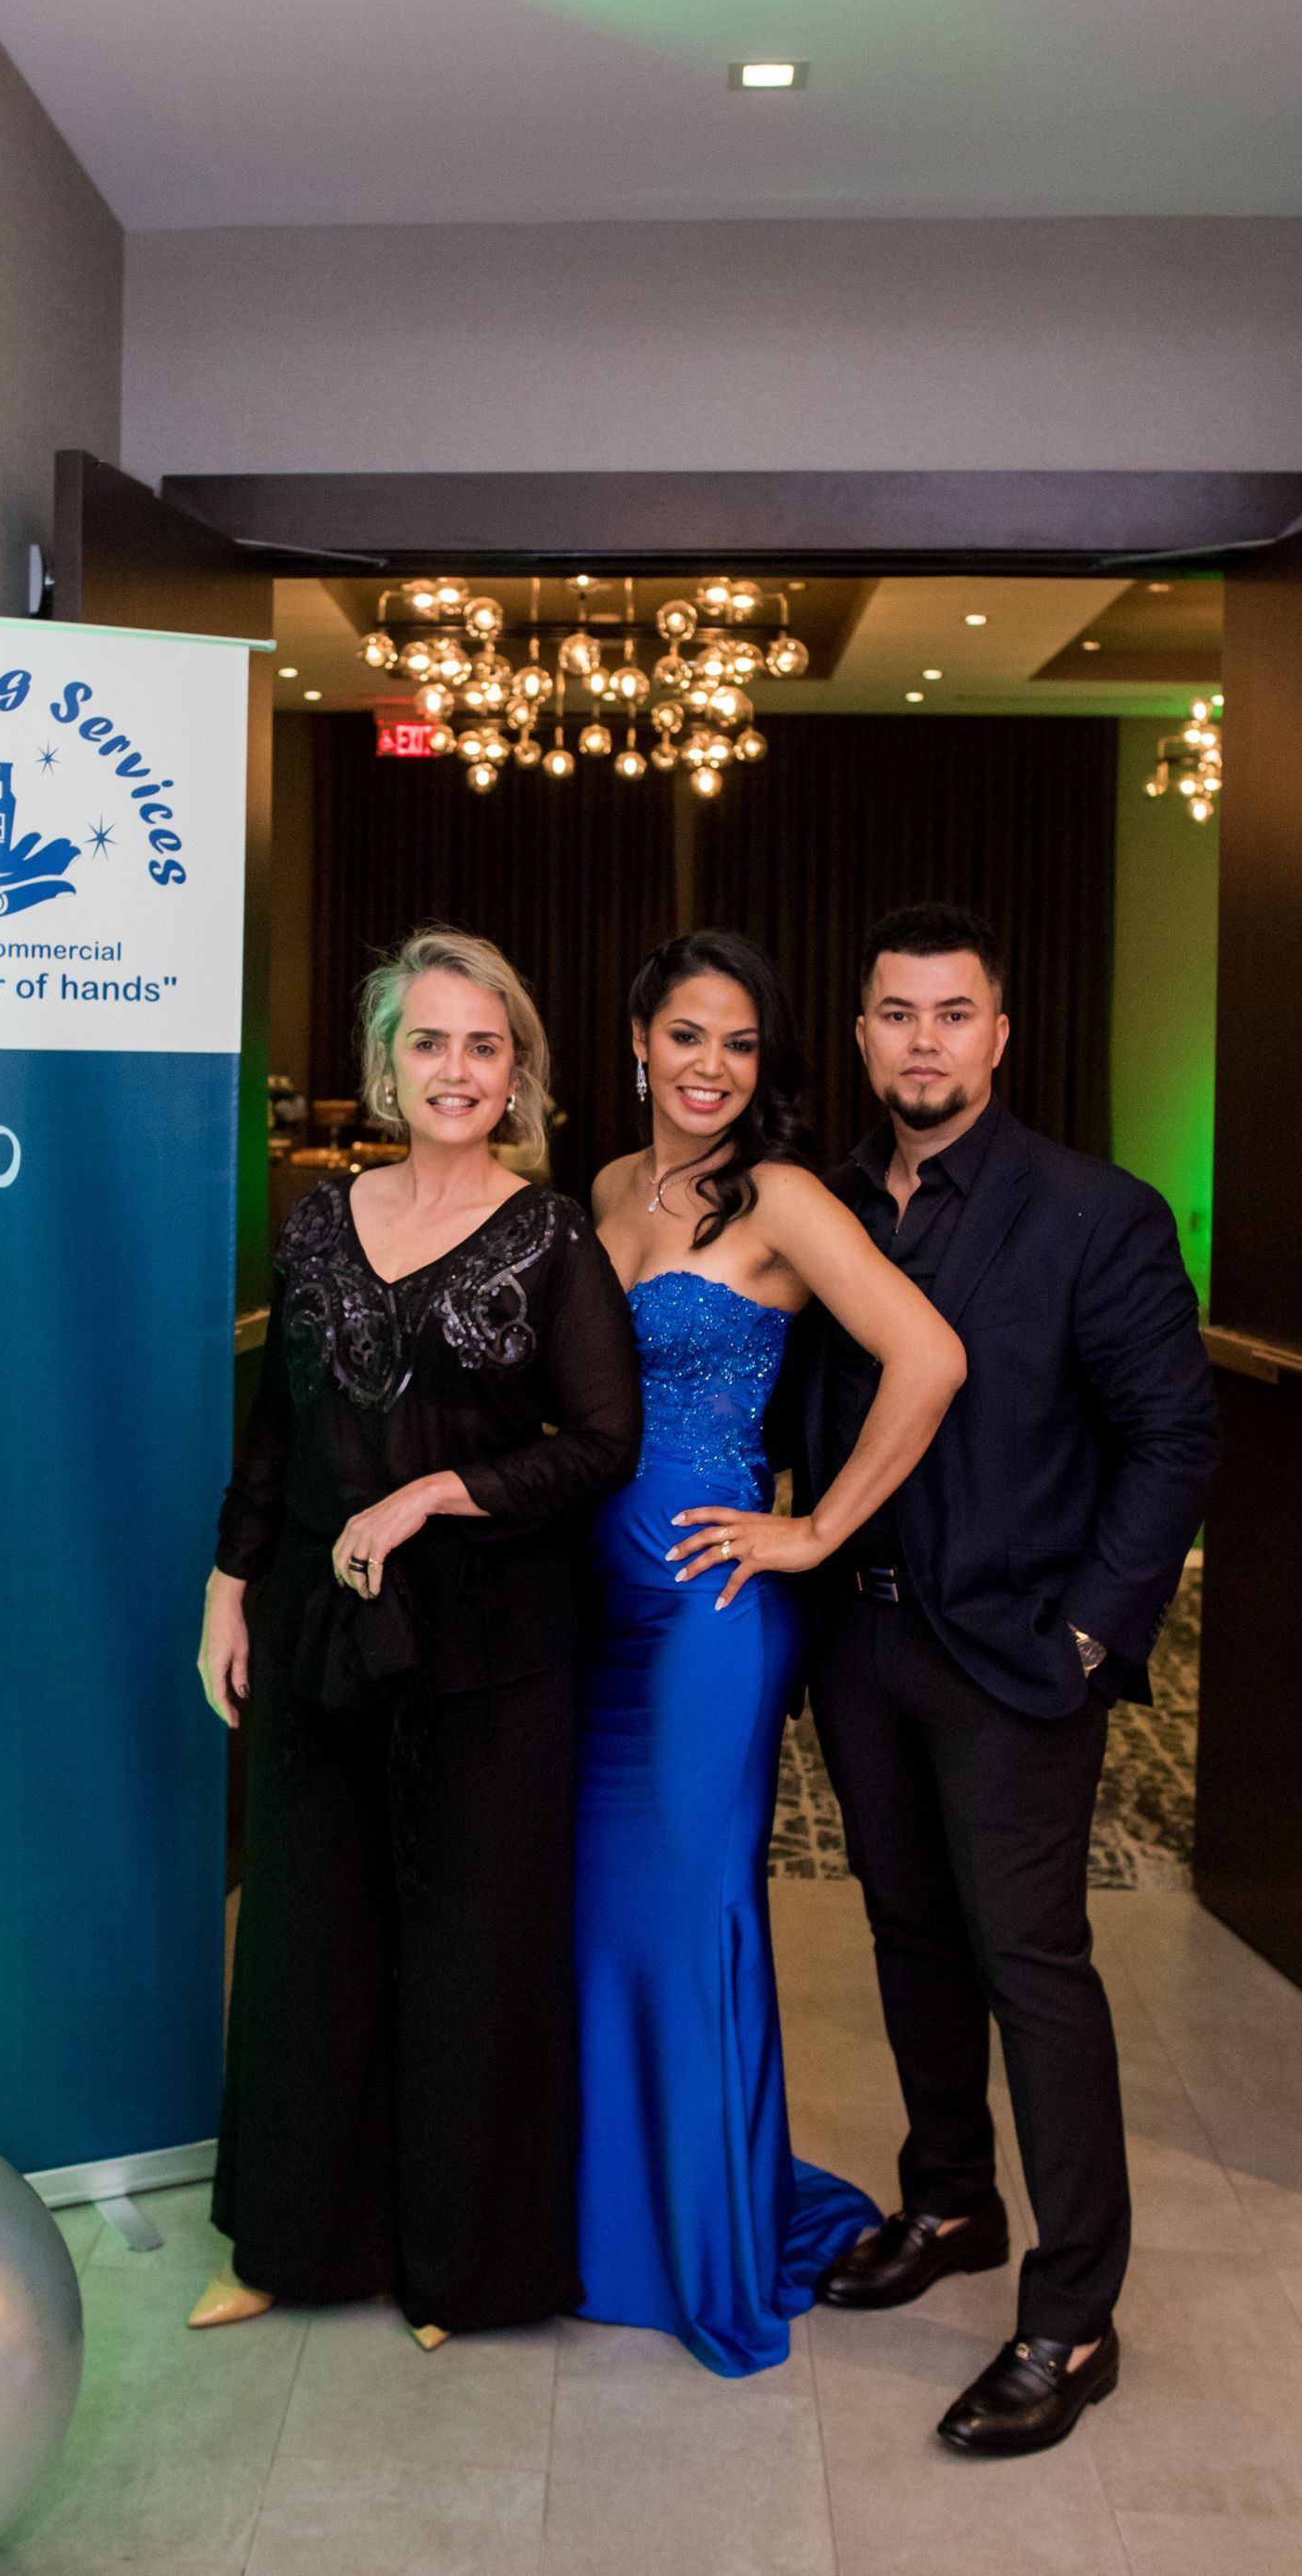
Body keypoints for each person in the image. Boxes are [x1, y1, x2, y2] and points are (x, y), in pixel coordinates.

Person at [790, 901, 1218, 2456]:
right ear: (860, 1033)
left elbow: (1175, 1445)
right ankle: (951, 2204)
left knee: (1033, 1970)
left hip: (1021, 1657)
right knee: (908, 1938)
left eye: (952, 1013)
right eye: (895, 1013)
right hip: (863, 1639)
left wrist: (1094, 1639)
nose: (923, 1041)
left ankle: (1073, 2317)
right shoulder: (826, 1199)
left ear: (999, 1032)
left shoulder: (1094, 1214)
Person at [195, 926, 642, 2347]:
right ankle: (289, 2244)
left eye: (484, 1045)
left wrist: (441, 1492)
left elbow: (605, 1446)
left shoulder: (557, 1236)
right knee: (306, 1939)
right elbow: (279, 1428)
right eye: (428, 1042)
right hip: (321, 1626)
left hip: (492, 1646)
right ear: (386, 1064)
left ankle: (459, 2266)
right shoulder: (323, 1220)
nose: (456, 1070)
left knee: (471, 1953)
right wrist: (227, 1586)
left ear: (520, 1073)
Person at [576, 929, 967, 2373]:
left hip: (704, 1615)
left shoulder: (786, 1198)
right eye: (689, 1037)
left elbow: (929, 1359)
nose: (713, 1069)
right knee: (598, 1922)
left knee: (686, 1922)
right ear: (638, 1040)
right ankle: (607, 2214)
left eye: (741, 1045)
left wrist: (812, 1532)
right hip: (587, 1610)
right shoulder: (610, 1188)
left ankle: (697, 2240)